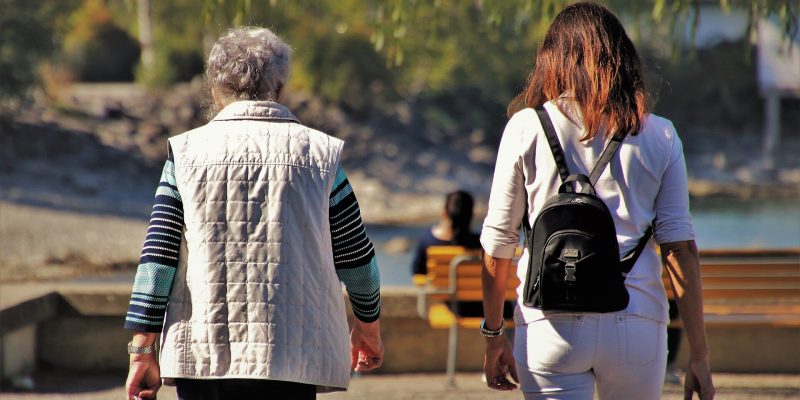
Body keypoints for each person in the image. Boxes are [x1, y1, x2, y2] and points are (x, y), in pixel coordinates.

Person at [124, 27, 383, 400]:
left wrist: (142, 350)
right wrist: (367, 328)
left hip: (204, 356)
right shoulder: (320, 156)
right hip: (293, 359)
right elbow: (357, 258)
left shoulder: (185, 154)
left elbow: (158, 259)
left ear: (216, 90)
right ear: (280, 89)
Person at [479, 3, 715, 399]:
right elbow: (679, 249)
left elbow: (498, 244)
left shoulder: (525, 128)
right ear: (623, 59)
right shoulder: (660, 136)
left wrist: (493, 335)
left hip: (548, 324)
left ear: (552, 59)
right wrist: (700, 355)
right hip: (636, 320)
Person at [411, 191, 512, 318]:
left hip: (457, 308)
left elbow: (418, 275)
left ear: (444, 213)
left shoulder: (428, 241)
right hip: (494, 308)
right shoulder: (485, 243)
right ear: (472, 215)